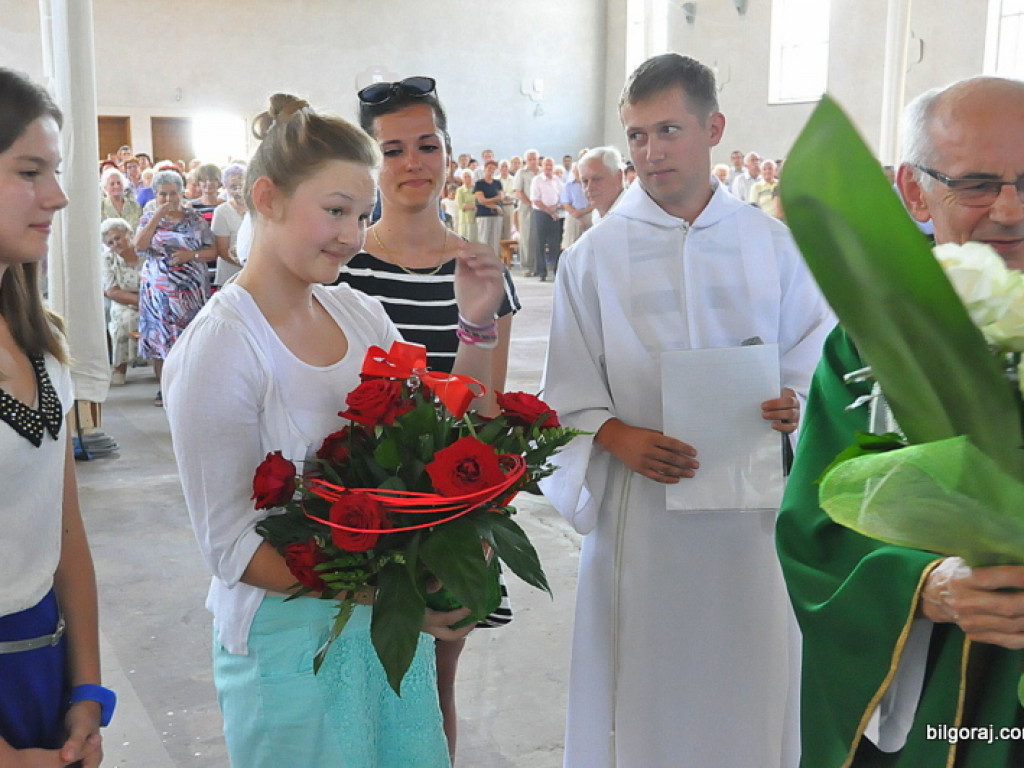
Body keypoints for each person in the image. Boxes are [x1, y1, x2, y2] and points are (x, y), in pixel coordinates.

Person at [164, 90, 506, 768]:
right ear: (267, 198)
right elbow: (232, 547)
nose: (353, 234)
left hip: (379, 633)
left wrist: (475, 322)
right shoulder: (223, 346)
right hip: (289, 645)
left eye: (361, 214)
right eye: (335, 211)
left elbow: (437, 436)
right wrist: (392, 595)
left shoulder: (358, 314)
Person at [541, 53, 834, 768]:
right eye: (637, 135)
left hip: (754, 525)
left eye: (668, 129)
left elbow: (819, 350)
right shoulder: (595, 257)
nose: (650, 151)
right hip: (645, 518)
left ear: (714, 129)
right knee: (647, 690)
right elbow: (564, 394)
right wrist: (618, 435)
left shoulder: (776, 245)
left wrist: (796, 399)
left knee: (752, 683)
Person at [777, 75, 1024, 767]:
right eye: (977, 183)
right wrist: (932, 587)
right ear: (914, 192)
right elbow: (814, 532)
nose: (1009, 208)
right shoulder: (868, 345)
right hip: (935, 703)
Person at [335, 76, 520, 760]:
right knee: (360, 688)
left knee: (435, 691)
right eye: (393, 149)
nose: (413, 162)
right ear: (370, 164)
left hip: (450, 509)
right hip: (357, 507)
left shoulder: (477, 266)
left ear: (447, 153)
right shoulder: (341, 267)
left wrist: (472, 521)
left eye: (427, 144)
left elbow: (489, 411)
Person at [0, 66, 111, 767]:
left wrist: (87, 687)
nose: (59, 196)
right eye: (29, 170)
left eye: (57, 170)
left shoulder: (41, 340)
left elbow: (63, 528)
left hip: (42, 664)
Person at [134, 168, 215, 407]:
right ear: (155, 196)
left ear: (181, 193)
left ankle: (190, 388)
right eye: (162, 194)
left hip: (190, 290)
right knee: (161, 338)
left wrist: (192, 255)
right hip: (158, 292)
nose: (168, 199)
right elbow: (139, 247)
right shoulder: (148, 219)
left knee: (190, 339)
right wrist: (157, 217)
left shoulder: (194, 219)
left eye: (172, 193)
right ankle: (165, 389)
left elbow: (212, 251)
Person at [100, 218, 143, 385]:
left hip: (153, 299)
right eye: (110, 243)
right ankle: (119, 368)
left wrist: (150, 303)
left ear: (129, 234)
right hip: (123, 301)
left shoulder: (144, 252)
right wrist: (141, 302)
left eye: (118, 238)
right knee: (124, 321)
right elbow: (111, 290)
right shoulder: (108, 259)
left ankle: (162, 367)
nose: (115, 244)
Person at [210, 163, 246, 287]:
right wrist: (246, 264)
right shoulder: (221, 211)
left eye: (242, 186)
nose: (238, 191)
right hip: (230, 274)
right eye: (233, 187)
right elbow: (222, 249)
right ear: (226, 188)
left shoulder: (257, 208)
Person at [529, 156, 563, 281]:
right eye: (546, 165)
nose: (548, 168)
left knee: (555, 243)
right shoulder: (537, 180)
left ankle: (556, 270)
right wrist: (549, 211)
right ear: (542, 166)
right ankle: (541, 272)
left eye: (551, 165)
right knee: (540, 243)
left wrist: (555, 208)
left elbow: (562, 197)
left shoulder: (557, 180)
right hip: (540, 214)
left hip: (555, 213)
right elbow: (535, 200)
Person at [578, 146, 625, 221]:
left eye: (596, 179)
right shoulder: (597, 214)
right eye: (585, 181)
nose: (589, 188)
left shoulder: (633, 213)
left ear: (618, 176)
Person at [512, 149, 539, 275]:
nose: (533, 161)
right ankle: (527, 266)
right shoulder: (521, 172)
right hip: (527, 208)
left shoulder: (542, 171)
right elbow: (518, 191)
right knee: (527, 237)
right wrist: (531, 203)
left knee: (539, 236)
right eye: (530, 159)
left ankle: (538, 265)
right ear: (526, 161)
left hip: (542, 208)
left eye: (535, 159)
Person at [473, 158, 504, 257]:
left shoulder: (497, 183)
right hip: (484, 214)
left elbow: (501, 197)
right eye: (489, 168)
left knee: (495, 240)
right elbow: (481, 200)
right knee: (484, 239)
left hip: (496, 214)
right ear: (485, 168)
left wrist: (492, 202)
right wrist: (494, 204)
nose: (491, 170)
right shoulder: (479, 183)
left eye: (493, 169)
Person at [454, 168, 476, 241]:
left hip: (476, 218)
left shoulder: (477, 189)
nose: (467, 178)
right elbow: (461, 205)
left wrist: (470, 205)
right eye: (465, 177)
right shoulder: (460, 190)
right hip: (465, 219)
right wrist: (474, 206)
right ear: (462, 179)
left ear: (472, 178)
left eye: (469, 176)